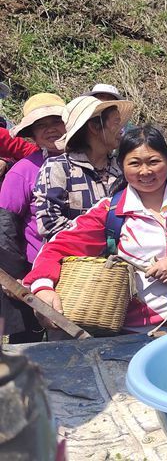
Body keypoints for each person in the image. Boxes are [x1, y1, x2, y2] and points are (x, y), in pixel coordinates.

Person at [24, 125, 167, 333]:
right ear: (121, 165)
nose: (145, 171)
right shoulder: (110, 211)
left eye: (154, 161)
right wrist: (42, 287)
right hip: (134, 334)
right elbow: (55, 248)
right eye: (135, 163)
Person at [0, 93, 66, 343]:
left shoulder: (86, 162)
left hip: (81, 274)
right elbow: (5, 227)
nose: (50, 130)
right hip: (34, 272)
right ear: (33, 134)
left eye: (56, 121)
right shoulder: (24, 170)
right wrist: (15, 279)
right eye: (41, 125)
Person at [34, 95, 134, 242]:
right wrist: (100, 239)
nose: (121, 131)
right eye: (116, 123)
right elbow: (49, 223)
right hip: (73, 261)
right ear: (94, 127)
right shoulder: (59, 168)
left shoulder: (120, 169)